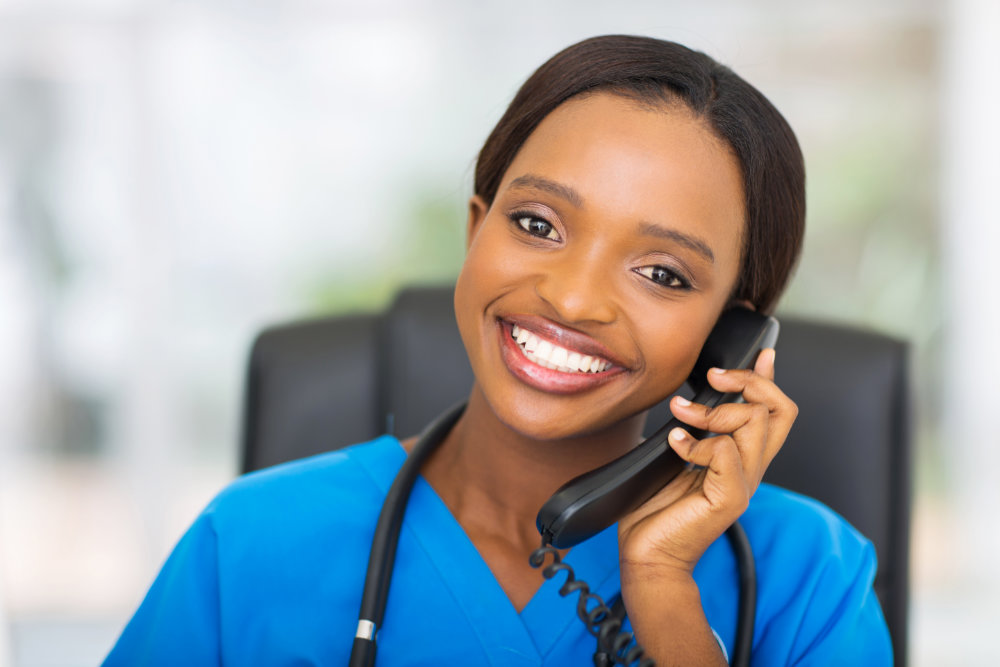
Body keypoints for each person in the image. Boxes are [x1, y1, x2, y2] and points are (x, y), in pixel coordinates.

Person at [104, 35, 892, 666]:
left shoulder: (812, 579)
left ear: (732, 334)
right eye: (538, 224)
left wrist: (664, 597)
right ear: (476, 227)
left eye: (662, 272)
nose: (574, 299)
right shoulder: (248, 543)